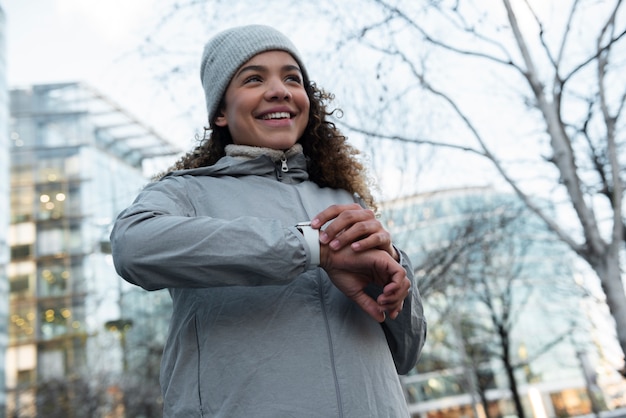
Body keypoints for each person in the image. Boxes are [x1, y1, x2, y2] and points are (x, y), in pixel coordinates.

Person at [110, 24, 427, 418]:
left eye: (292, 78)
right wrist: (312, 249)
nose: (279, 89)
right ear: (221, 112)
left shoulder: (346, 201)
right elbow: (132, 246)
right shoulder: (186, 192)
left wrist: (393, 273)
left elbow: (407, 353)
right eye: (254, 78)